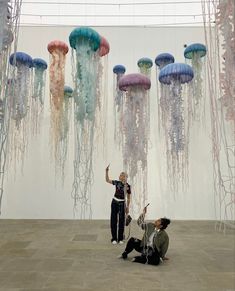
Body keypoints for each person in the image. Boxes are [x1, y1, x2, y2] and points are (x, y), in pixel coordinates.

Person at [105, 165, 131, 245]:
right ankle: (114, 238)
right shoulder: (117, 183)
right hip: (115, 202)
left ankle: (120, 238)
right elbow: (107, 180)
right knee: (113, 220)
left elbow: (129, 198)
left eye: (123, 175)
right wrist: (106, 171)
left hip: (122, 203)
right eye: (120, 175)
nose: (121, 176)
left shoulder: (128, 187)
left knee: (121, 221)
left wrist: (127, 207)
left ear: (126, 177)